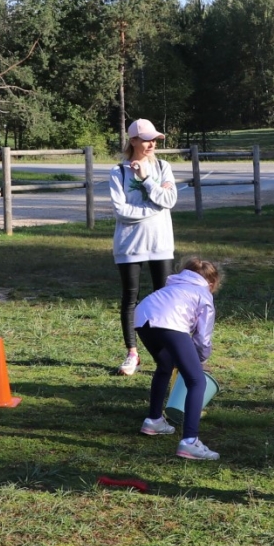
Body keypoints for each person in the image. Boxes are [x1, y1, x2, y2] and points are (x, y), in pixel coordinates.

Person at [133, 257, 223, 461]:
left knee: (165, 365)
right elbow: (203, 338)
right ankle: (190, 442)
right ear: (211, 283)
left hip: (142, 317)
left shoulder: (172, 286)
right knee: (196, 380)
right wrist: (199, 361)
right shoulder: (203, 294)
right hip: (169, 322)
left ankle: (154, 420)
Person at [109, 118, 179, 375]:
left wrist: (147, 179)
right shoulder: (118, 171)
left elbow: (169, 199)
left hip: (160, 244)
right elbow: (121, 211)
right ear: (133, 141)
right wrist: (154, 207)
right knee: (131, 299)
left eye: (154, 139)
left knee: (164, 298)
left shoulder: (163, 167)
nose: (151, 144)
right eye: (146, 139)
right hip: (129, 245)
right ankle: (132, 354)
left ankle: (167, 352)